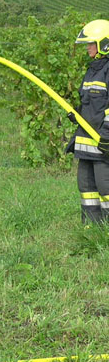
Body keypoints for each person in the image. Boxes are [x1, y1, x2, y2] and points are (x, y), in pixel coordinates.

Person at [69, 19, 109, 223]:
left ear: (105, 44)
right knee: (86, 187)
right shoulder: (92, 70)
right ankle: (91, 228)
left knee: (105, 186)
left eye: (92, 44)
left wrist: (107, 136)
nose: (88, 48)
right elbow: (90, 104)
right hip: (87, 143)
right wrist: (76, 113)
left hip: (103, 143)